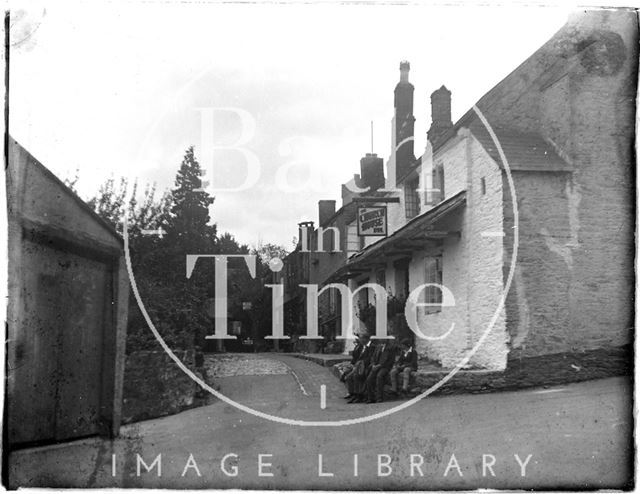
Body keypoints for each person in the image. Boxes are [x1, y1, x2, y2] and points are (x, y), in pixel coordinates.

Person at [364, 339, 397, 404]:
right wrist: (373, 365)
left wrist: (379, 365)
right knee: (369, 379)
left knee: (380, 376)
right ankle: (370, 398)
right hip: (376, 366)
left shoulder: (391, 348)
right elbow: (373, 357)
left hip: (385, 367)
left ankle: (379, 397)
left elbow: (391, 361)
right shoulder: (378, 347)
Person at [346, 334, 374, 403]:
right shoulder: (361, 347)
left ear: (366, 339)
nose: (359, 340)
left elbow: (370, 358)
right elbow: (356, 357)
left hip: (366, 366)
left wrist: (361, 363)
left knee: (356, 376)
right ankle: (352, 393)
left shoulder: (372, 347)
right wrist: (352, 364)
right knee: (349, 377)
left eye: (361, 339)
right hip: (359, 366)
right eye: (360, 339)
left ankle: (359, 395)